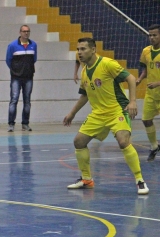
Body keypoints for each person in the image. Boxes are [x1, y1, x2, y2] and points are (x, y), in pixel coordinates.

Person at [63, 37, 149, 195]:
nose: (79, 53)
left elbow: (130, 78)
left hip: (117, 110)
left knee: (123, 141)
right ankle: (86, 179)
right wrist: (72, 113)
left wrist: (133, 101)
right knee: (79, 141)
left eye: (83, 49)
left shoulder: (107, 64)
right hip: (98, 114)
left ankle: (140, 180)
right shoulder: (84, 72)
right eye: (78, 50)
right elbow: (85, 95)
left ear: (93, 49)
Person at [6, 25, 37, 132]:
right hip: (16, 78)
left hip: (28, 77)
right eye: (24, 31)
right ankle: (11, 124)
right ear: (20, 32)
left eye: (28, 31)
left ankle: (25, 124)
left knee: (27, 101)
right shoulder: (12, 45)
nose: (26, 33)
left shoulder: (34, 45)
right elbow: (8, 60)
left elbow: (34, 59)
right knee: (14, 100)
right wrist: (16, 70)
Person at [136, 24, 160, 161]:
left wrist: (157, 83)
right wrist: (140, 79)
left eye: (155, 35)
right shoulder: (146, 51)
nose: (151, 38)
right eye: (150, 35)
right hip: (151, 93)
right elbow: (146, 69)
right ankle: (154, 146)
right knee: (146, 120)